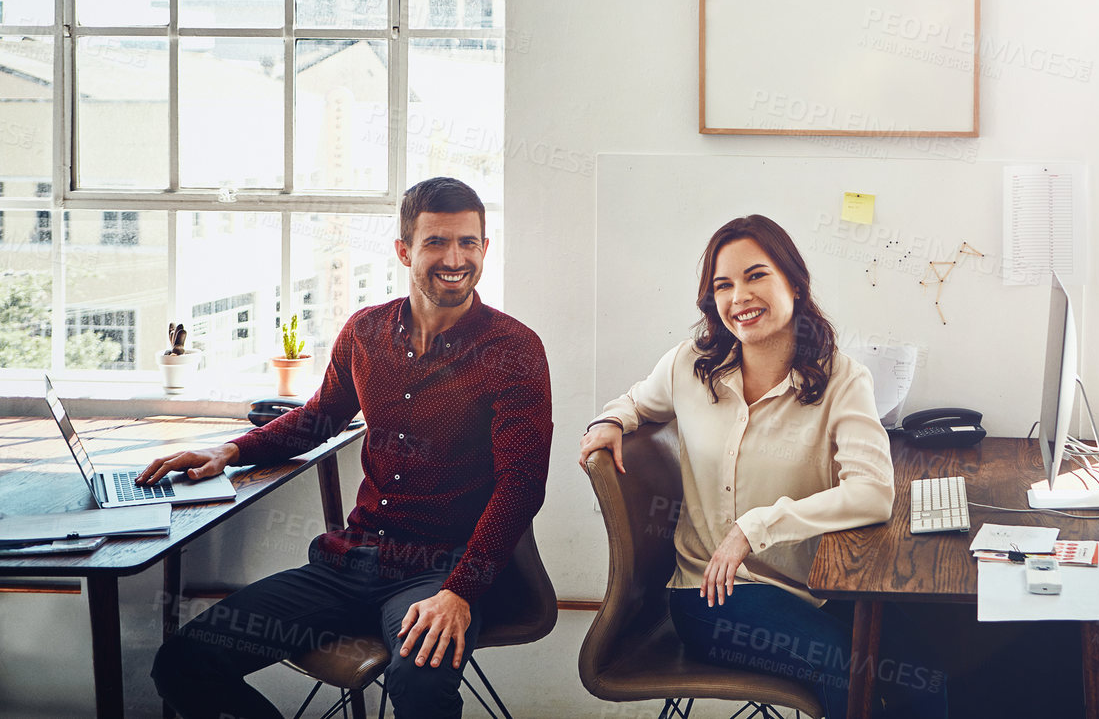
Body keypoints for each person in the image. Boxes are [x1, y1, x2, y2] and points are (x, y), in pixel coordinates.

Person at [148, 177, 553, 719]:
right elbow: (318, 419)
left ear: (485, 248)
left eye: (469, 242)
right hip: (348, 564)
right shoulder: (364, 332)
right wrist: (230, 451)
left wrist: (459, 591)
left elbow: (521, 485)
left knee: (420, 685)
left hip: (440, 571)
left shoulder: (514, 350)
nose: (455, 258)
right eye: (436, 242)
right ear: (404, 250)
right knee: (183, 661)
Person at [578, 214, 946, 719]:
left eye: (756, 276)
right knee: (843, 663)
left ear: (794, 281)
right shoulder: (690, 364)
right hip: (711, 594)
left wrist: (759, 526)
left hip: (813, 587)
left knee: (925, 668)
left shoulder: (842, 378)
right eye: (723, 285)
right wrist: (609, 421)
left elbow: (874, 492)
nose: (739, 297)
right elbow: (638, 401)